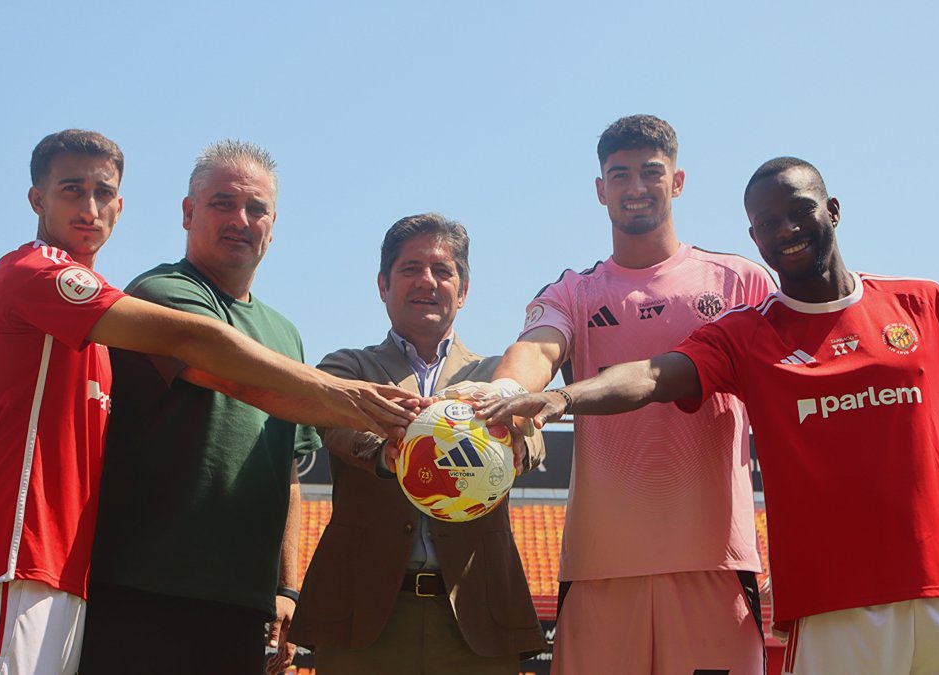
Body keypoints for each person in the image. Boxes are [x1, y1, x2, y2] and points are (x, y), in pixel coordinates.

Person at [481, 157, 939, 675]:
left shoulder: (923, 304)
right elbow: (655, 374)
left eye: (799, 210)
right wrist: (563, 397)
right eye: (766, 222)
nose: (786, 229)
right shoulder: (747, 333)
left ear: (832, 209)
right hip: (835, 609)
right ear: (753, 237)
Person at [0, 130, 420, 675]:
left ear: (121, 205)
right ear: (36, 199)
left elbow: (285, 464)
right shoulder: (43, 275)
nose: (90, 208)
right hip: (20, 553)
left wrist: (284, 583)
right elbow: (211, 356)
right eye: (72, 189)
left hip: (67, 565)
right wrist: (354, 397)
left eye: (103, 192)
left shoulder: (94, 306)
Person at [482, 115, 776, 674]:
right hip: (600, 569)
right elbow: (538, 351)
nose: (635, 187)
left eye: (651, 172)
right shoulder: (574, 290)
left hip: (715, 564)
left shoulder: (740, 282)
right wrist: (505, 391)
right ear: (600, 190)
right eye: (619, 175)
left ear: (678, 181)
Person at [76, 139, 339, 674]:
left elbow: (287, 475)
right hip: (137, 592)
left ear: (273, 222)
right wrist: (354, 402)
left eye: (256, 207)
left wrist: (286, 586)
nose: (240, 219)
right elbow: (226, 366)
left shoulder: (285, 335)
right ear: (188, 212)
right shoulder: (159, 291)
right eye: (222, 203)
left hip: (241, 607)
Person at [289, 213, 548, 674]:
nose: (426, 281)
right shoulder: (347, 367)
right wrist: (388, 451)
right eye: (410, 269)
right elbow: (337, 424)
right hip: (366, 621)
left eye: (442, 270)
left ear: (463, 291)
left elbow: (532, 428)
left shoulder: (494, 376)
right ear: (383, 285)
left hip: (476, 620)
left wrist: (518, 443)